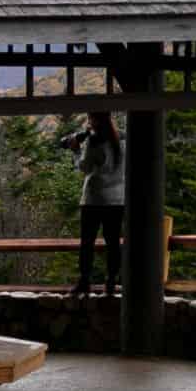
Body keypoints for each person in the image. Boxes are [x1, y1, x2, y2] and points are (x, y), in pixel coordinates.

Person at [64, 112, 124, 299]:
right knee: (113, 242)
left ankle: (84, 282)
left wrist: (75, 150)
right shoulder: (122, 139)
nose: (89, 123)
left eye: (90, 119)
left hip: (94, 199)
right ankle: (112, 282)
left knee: (87, 242)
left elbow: (84, 167)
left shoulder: (94, 141)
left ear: (96, 120)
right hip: (117, 199)